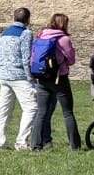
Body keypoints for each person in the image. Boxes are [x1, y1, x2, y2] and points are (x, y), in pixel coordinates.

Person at [31, 13, 81, 151]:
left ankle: (35, 145)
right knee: (67, 112)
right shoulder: (63, 39)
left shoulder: (41, 36)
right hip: (59, 78)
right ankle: (74, 145)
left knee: (41, 112)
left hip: (42, 77)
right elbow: (71, 60)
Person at [0, 7, 37, 151]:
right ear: (28, 19)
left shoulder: (4, 33)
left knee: (3, 110)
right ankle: (22, 142)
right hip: (20, 77)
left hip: (4, 76)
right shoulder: (26, 33)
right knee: (31, 107)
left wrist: (2, 70)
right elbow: (26, 58)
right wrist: (30, 77)